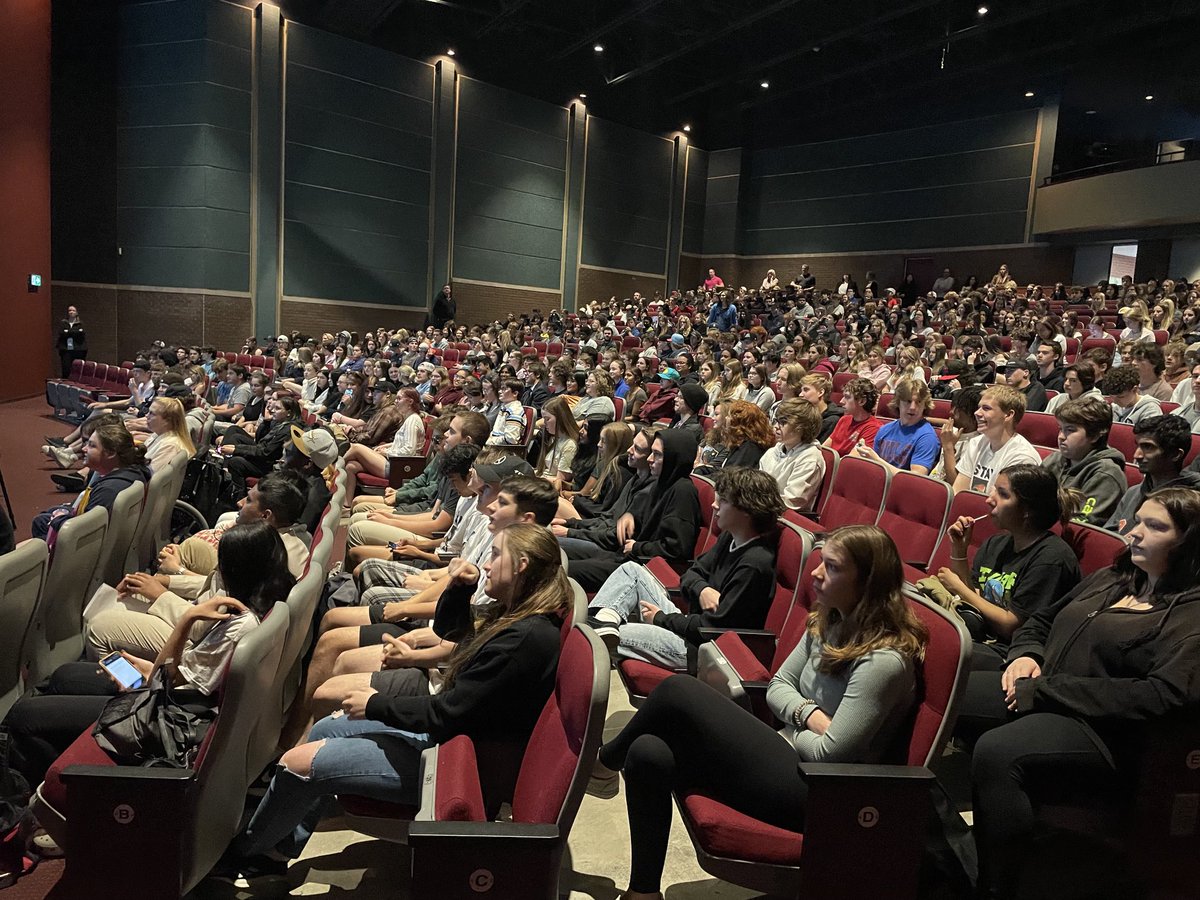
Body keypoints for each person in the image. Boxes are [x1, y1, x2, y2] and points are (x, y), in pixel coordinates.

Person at [595, 525, 928, 900]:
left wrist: (799, 724)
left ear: (868, 582)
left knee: (677, 690)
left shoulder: (882, 662)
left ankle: (603, 764)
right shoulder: (829, 619)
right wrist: (812, 716)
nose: (816, 573)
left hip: (819, 791)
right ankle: (643, 892)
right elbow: (777, 687)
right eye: (820, 562)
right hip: (785, 753)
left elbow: (831, 753)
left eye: (832, 568)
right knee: (649, 751)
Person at [966, 488, 1200, 900]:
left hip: (1109, 732)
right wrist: (1026, 655)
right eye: (1138, 521)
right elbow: (1040, 621)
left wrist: (1048, 690)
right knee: (949, 693)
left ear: (1189, 542)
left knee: (1000, 751)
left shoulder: (1190, 612)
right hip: (1046, 691)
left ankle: (999, 883)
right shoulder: (1115, 578)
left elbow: (1164, 696)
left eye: (1156, 527)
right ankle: (932, 837)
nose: (1136, 534)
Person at [4, 521, 295, 785]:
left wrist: (187, 619)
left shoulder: (240, 624)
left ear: (236, 573)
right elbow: (179, 675)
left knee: (24, 715)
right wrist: (148, 670)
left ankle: (43, 797)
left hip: (163, 718)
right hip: (170, 698)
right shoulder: (266, 604)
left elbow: (168, 678)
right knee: (64, 676)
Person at [586, 466, 783, 668]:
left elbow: (713, 628)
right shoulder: (729, 537)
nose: (714, 505)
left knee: (596, 636)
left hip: (704, 648)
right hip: (690, 625)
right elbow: (691, 574)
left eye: (723, 500)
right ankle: (604, 620)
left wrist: (661, 618)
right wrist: (702, 589)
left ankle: (599, 627)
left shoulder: (755, 564)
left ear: (746, 511)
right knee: (632, 570)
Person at [934, 465, 1081, 669]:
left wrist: (957, 587)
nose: (989, 499)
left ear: (1027, 511)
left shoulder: (1052, 559)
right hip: (981, 635)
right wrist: (959, 550)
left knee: (938, 653)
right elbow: (975, 597)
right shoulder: (997, 543)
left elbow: (1011, 625)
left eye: (1003, 494)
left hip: (1012, 655)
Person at [565, 430, 700, 593]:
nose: (650, 459)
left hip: (641, 568)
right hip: (624, 556)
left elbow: (676, 548)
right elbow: (643, 521)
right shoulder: (661, 484)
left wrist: (637, 547)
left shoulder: (682, 491)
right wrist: (631, 516)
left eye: (657, 455)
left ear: (673, 458)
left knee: (565, 570)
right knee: (559, 558)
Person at [32, 422, 151, 540]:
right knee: (48, 514)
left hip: (81, 550)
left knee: (41, 522)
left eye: (91, 445)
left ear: (110, 453)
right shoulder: (134, 472)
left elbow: (84, 532)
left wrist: (59, 519)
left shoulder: (108, 491)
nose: (84, 449)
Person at [1105, 415, 1200, 535]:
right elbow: (1110, 536)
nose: (1136, 455)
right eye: (1138, 446)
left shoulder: (1192, 505)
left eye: (1148, 447)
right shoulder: (1133, 493)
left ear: (1175, 454)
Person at [1041, 397, 1127, 525]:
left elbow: (1082, 525)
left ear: (1095, 435)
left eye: (1070, 430)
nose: (1061, 437)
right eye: (1060, 428)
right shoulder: (1053, 460)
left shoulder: (1106, 475)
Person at [952, 385, 1041, 494]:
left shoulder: (1023, 458)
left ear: (1008, 415)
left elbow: (1005, 507)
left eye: (986, 408)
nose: (977, 413)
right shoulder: (976, 443)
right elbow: (958, 492)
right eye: (979, 407)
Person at [853, 377, 940, 476]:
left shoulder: (927, 437)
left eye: (918, 402)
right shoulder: (884, 430)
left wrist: (876, 460)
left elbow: (916, 478)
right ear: (898, 403)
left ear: (925, 405)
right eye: (908, 401)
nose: (912, 407)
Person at [341, 388, 425, 483]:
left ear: (410, 401)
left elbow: (408, 451)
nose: (395, 401)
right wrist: (386, 446)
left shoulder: (413, 420)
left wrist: (386, 452)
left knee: (355, 447)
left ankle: (331, 470)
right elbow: (402, 442)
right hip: (394, 462)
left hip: (399, 467)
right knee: (351, 467)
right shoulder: (409, 418)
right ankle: (345, 498)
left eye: (399, 398)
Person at [760, 399, 825, 511]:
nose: (776, 426)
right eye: (776, 421)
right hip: (764, 508)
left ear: (802, 427)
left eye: (783, 422)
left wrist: (753, 502)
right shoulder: (772, 451)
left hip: (783, 517)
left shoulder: (810, 458)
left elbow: (792, 502)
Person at [694, 399, 773, 475]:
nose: (726, 418)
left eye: (729, 416)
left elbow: (731, 477)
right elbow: (725, 469)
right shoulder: (741, 443)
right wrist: (704, 470)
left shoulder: (749, 448)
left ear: (739, 422)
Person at [822, 377, 881, 456]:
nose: (841, 401)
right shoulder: (844, 419)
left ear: (862, 401)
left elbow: (849, 461)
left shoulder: (874, 428)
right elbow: (824, 450)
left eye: (847, 397)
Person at [799, 374, 843, 442]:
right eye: (801, 391)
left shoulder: (832, 420)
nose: (800, 395)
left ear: (820, 392)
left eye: (806, 390)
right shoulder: (802, 413)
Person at [55, 305, 87, 378]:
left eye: (73, 310)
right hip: (66, 349)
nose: (71, 312)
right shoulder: (63, 323)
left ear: (76, 312)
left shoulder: (80, 324)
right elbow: (61, 333)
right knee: (66, 368)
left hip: (78, 349)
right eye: (69, 310)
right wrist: (75, 332)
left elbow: (81, 334)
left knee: (78, 369)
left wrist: (68, 332)